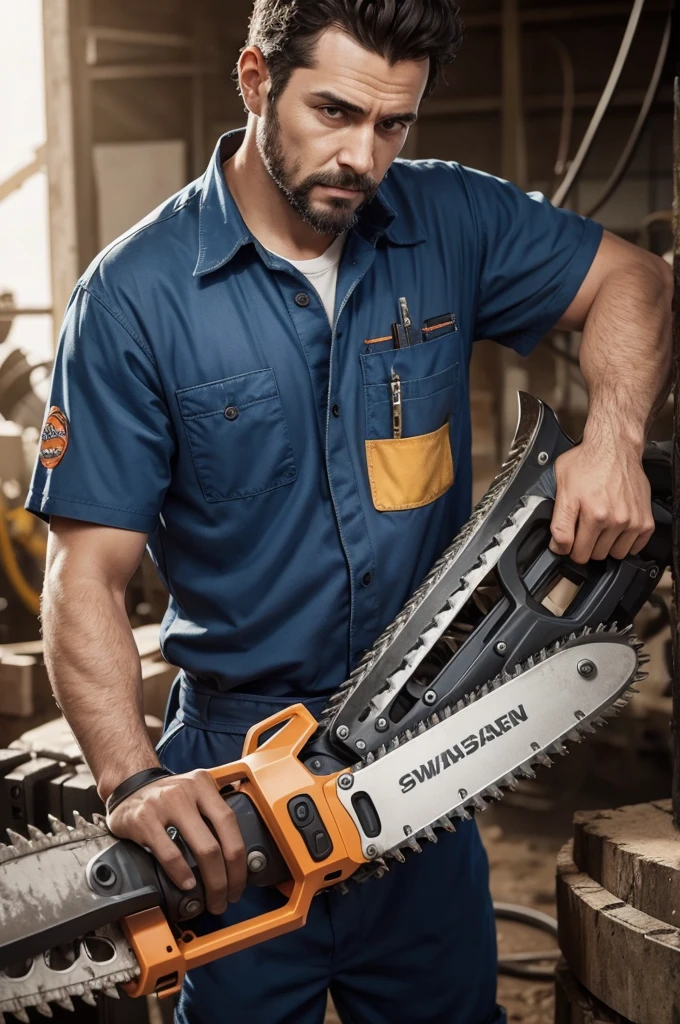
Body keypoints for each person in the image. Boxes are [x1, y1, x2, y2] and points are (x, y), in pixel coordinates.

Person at [27, 1, 671, 1021]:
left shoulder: (447, 220)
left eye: (391, 124)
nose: (361, 155)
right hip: (236, 773)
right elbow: (86, 574)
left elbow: (631, 281)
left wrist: (611, 436)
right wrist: (131, 780)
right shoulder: (135, 296)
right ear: (254, 80)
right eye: (332, 111)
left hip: (425, 745)